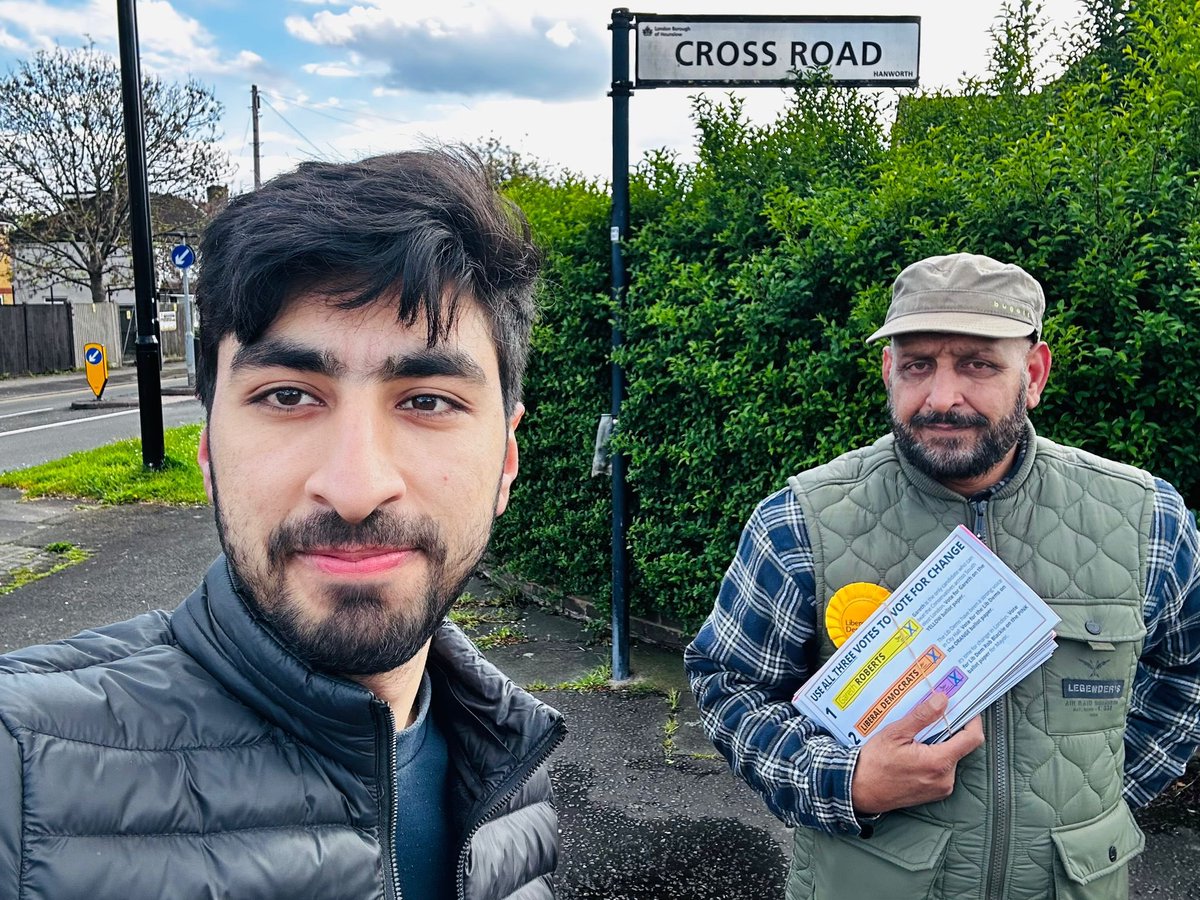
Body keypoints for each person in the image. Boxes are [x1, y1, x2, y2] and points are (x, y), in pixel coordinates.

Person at [0, 149, 565, 900]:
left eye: (428, 400)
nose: (357, 488)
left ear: (506, 458)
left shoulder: (509, 768)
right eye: (288, 396)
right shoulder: (21, 768)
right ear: (206, 451)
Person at [685, 253, 1200, 900]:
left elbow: (1187, 671)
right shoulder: (801, 520)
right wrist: (844, 782)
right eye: (918, 364)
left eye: (979, 364)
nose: (942, 397)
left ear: (1034, 373)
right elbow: (728, 687)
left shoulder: (1147, 519)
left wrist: (1099, 801)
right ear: (888, 371)